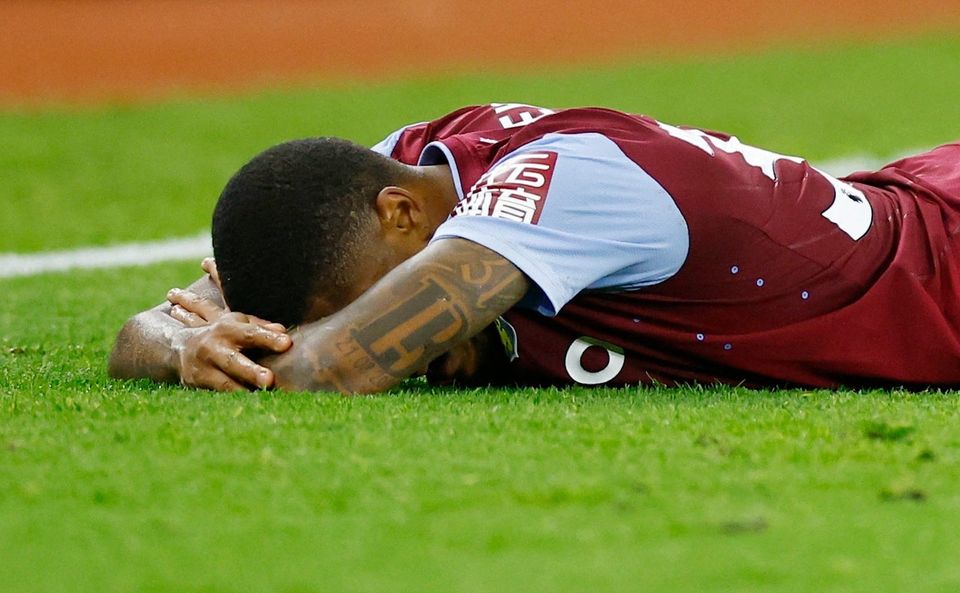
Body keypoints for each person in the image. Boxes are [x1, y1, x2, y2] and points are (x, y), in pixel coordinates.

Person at [108, 102, 960, 393]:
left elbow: (336, 367)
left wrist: (278, 356)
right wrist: (190, 341)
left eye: (374, 295)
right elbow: (161, 321)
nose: (408, 332)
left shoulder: (558, 191)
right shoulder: (411, 164)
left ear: (401, 215)